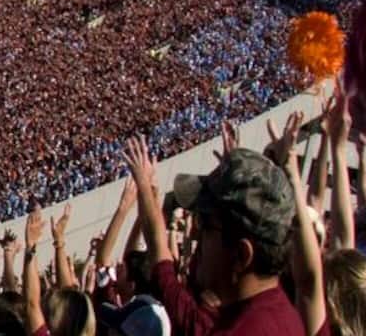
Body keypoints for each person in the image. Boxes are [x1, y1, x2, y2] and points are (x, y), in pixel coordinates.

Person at [125, 137, 304, 335]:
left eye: (205, 224)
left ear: (242, 255)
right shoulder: (284, 315)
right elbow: (162, 265)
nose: (195, 234)